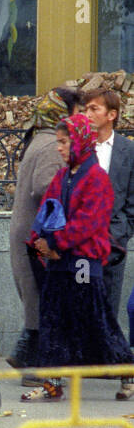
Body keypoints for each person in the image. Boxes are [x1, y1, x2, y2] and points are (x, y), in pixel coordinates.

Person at [25, 112, 134, 401]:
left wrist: (56, 243)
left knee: (93, 318)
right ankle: (53, 382)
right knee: (54, 317)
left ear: (80, 142)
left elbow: (88, 223)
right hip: (59, 261)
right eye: (59, 142)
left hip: (84, 262)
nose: (59, 148)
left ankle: (128, 371)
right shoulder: (62, 176)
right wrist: (37, 240)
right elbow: (47, 209)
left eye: (64, 142)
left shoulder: (96, 178)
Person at [7, 88, 79, 373]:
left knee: (36, 300)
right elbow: (44, 186)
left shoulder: (38, 138)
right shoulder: (52, 143)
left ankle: (25, 353)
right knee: (41, 300)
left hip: (25, 232)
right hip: (37, 237)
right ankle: (35, 368)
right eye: (76, 112)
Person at [80, 89, 134, 395]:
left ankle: (119, 366)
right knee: (83, 295)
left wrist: (123, 231)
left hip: (113, 244)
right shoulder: (81, 147)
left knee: (110, 301)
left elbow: (131, 197)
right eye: (87, 108)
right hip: (83, 244)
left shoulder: (127, 150)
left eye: (94, 108)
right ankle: (87, 360)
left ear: (111, 115)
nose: (88, 113)